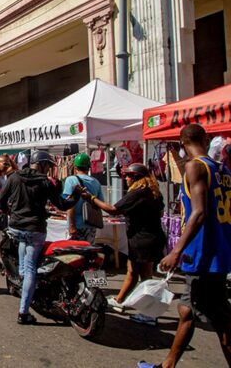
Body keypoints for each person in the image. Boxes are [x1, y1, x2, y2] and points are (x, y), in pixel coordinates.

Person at [139, 124, 231, 368]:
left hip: (204, 254)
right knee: (188, 310)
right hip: (218, 252)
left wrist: (176, 251)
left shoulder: (195, 167)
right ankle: (168, 365)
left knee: (220, 319)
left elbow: (199, 213)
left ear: (181, 144)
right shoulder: (222, 170)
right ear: (207, 138)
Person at [0, 150, 80, 325]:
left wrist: (9, 211)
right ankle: (23, 312)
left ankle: (24, 286)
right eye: (48, 165)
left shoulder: (14, 177)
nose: (49, 169)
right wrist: (78, 196)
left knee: (24, 263)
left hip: (17, 227)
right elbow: (62, 205)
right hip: (35, 229)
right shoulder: (45, 182)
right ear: (42, 164)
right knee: (30, 269)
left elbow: (1, 199)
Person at [81, 163, 165, 324]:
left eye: (127, 176)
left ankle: (150, 314)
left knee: (146, 277)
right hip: (151, 236)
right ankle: (120, 301)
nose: (125, 179)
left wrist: (91, 198)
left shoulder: (138, 192)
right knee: (133, 271)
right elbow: (160, 212)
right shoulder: (154, 193)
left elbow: (113, 209)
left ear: (135, 177)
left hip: (143, 239)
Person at [62, 153, 104, 244]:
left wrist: (71, 226)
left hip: (76, 225)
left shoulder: (70, 180)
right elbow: (100, 203)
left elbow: (69, 204)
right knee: (88, 252)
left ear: (75, 167)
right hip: (91, 225)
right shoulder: (96, 182)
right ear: (89, 167)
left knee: (74, 255)